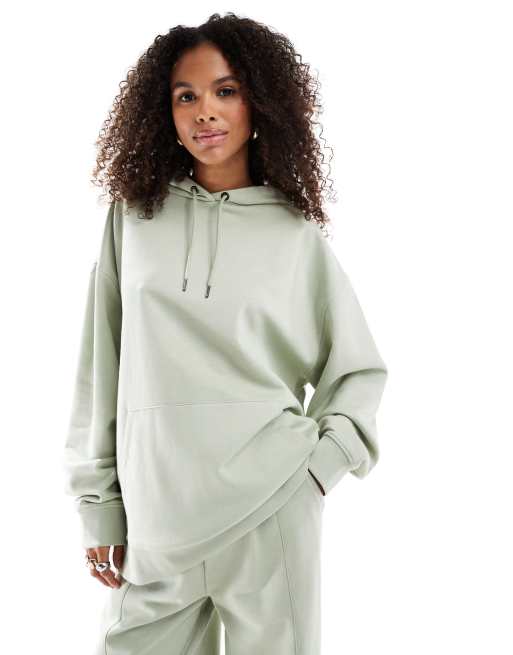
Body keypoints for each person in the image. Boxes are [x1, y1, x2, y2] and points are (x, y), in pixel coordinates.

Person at [62, 12, 388, 655]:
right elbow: (100, 365)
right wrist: (99, 506)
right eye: (185, 96)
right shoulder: (134, 217)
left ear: (258, 103)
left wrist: (317, 471)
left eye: (226, 91)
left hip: (272, 506)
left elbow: (357, 370)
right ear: (164, 112)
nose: (204, 111)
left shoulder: (295, 233)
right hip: (156, 519)